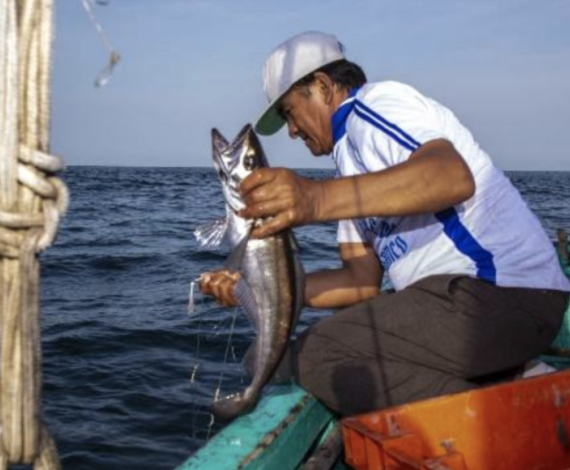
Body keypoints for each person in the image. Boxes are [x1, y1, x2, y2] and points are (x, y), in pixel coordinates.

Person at [200, 31, 570, 416]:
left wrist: (313, 199)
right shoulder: (349, 167)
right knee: (289, 360)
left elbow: (451, 176)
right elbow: (359, 282)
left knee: (317, 354)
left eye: (291, 113)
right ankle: (518, 384)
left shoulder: (373, 106)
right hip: (479, 312)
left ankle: (519, 422)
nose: (292, 131)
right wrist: (261, 289)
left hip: (501, 293)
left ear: (324, 87)